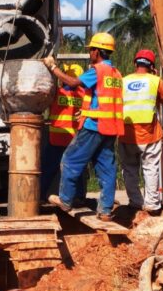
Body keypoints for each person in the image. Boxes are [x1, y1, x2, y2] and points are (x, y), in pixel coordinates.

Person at [44, 32, 124, 222]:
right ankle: (105, 210)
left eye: (91, 51)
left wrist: (52, 67)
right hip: (110, 128)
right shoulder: (116, 73)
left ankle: (65, 200)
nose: (90, 54)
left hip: (93, 126)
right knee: (106, 168)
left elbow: (72, 82)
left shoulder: (97, 70)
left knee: (70, 160)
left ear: (97, 51)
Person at [119, 48, 163, 216]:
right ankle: (152, 205)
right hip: (150, 134)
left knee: (129, 169)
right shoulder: (156, 80)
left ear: (135, 64)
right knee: (150, 168)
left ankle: (135, 202)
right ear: (152, 66)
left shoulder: (123, 81)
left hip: (127, 133)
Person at [40, 61, 86, 199]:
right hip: (74, 140)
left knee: (48, 170)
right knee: (76, 170)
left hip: (56, 140)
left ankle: (40, 197)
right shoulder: (84, 95)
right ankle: (78, 198)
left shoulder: (57, 93)